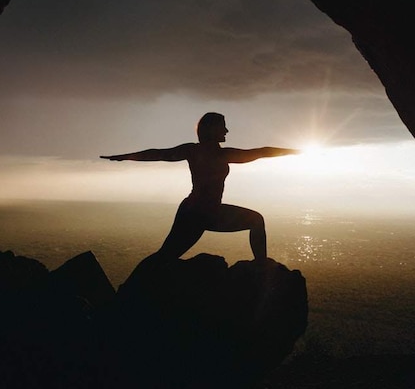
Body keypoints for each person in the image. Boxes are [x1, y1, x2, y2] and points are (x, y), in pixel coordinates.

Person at [101, 112, 298, 274]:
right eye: (223, 126)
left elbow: (261, 151)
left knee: (166, 254)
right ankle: (261, 266)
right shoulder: (216, 153)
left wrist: (125, 157)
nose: (227, 130)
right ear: (212, 129)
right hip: (200, 213)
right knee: (167, 254)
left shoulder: (200, 151)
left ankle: (260, 266)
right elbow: (157, 153)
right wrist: (125, 157)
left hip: (197, 210)